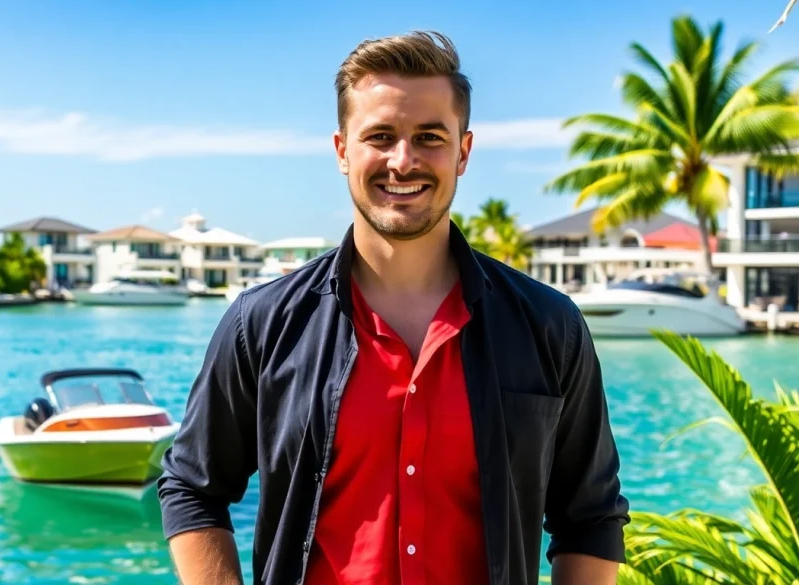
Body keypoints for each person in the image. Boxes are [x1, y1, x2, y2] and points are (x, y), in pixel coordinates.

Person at [157, 30, 630, 585]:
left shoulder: (549, 326)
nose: (403, 162)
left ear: (463, 152)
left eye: (429, 137)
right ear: (342, 151)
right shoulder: (261, 325)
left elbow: (591, 517)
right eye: (380, 136)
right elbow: (192, 486)